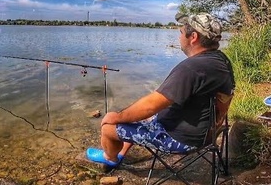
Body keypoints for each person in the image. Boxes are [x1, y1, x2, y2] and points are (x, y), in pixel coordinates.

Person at [86, 12, 235, 169]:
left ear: (194, 37)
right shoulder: (221, 60)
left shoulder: (191, 68)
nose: (179, 37)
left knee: (108, 126)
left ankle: (110, 157)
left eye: (181, 33)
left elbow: (151, 106)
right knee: (135, 115)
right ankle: (122, 153)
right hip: (207, 133)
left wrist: (116, 117)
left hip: (181, 140)